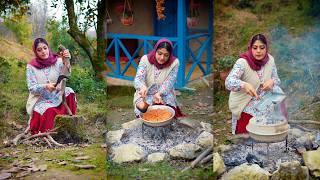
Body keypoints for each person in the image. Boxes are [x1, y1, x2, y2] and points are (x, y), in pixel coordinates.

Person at [225, 34, 287, 134]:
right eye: (255, 48)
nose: (258, 51)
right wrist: (244, 85)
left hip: (264, 99)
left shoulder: (270, 60)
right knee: (249, 133)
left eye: (262, 48)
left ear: (266, 48)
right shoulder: (242, 62)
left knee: (277, 94)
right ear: (250, 48)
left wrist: (271, 81)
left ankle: (275, 131)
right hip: (246, 101)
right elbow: (228, 82)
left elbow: (277, 79)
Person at [26, 38, 77, 135]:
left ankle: (68, 127)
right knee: (48, 110)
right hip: (40, 99)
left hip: (57, 95)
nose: (43, 52)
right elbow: (32, 88)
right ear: (35, 52)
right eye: (39, 50)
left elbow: (67, 74)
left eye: (45, 48)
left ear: (48, 48)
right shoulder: (31, 66)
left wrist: (66, 61)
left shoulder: (57, 61)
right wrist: (45, 86)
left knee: (69, 92)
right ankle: (48, 133)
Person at [133, 38, 184, 118]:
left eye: (166, 55)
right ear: (155, 51)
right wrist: (142, 87)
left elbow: (169, 82)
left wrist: (159, 93)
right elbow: (138, 79)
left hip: (164, 93)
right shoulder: (145, 60)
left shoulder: (174, 63)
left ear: (170, 55)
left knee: (168, 112)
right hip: (145, 94)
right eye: (159, 53)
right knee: (142, 111)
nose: (162, 58)